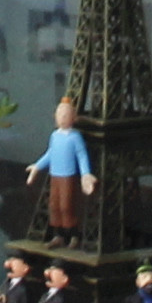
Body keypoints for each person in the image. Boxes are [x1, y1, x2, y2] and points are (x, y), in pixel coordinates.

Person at [33, 92, 91, 236]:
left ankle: (72, 235)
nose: (63, 117)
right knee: (54, 206)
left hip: (68, 177)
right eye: (60, 114)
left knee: (66, 206)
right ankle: (58, 235)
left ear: (74, 118)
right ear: (55, 117)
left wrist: (85, 174)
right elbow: (50, 154)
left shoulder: (75, 137)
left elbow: (82, 156)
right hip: (55, 175)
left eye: (66, 115)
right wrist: (37, 166)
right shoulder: (55, 136)